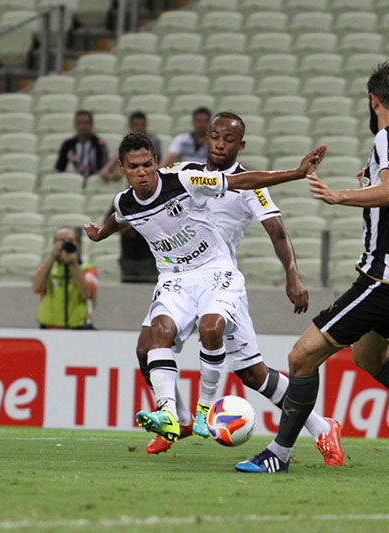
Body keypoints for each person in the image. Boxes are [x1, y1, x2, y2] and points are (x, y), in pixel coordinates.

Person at [235, 62, 389, 476]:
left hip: (383, 276)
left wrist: (340, 196)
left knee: (302, 357)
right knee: (370, 357)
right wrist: (371, 178)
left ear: (373, 100)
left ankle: (278, 455)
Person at [84, 131, 327, 445]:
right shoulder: (125, 202)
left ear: (156, 162)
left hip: (215, 273)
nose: (142, 172)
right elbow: (120, 218)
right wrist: (99, 234)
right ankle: (171, 416)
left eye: (147, 164)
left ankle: (205, 407)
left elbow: (239, 182)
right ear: (122, 168)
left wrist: (296, 173)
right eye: (134, 167)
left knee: (231, 349)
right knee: (156, 336)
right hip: (175, 280)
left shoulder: (185, 179)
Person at [130, 112, 342, 465]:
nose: (219, 144)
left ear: (240, 145)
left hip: (219, 282)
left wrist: (293, 275)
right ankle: (179, 420)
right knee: (145, 347)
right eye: (214, 136)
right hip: (181, 280)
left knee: (252, 374)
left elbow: (277, 231)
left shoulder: (250, 184)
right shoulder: (185, 173)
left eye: (228, 139)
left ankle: (321, 427)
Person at [33, 226, 98, 329]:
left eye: (70, 240)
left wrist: (74, 264)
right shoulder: (46, 268)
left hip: (78, 327)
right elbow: (37, 288)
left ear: (77, 244)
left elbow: (87, 294)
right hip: (49, 327)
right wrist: (53, 257)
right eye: (61, 240)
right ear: (54, 244)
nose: (65, 243)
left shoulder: (87, 269)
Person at [99, 111, 162, 182]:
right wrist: (106, 169)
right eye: (136, 125)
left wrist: (122, 172)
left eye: (142, 125)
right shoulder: (128, 140)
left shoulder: (153, 140)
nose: (139, 128)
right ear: (130, 126)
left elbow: (145, 161)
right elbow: (119, 155)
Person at [54, 110, 109, 180]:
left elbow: (102, 168)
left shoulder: (99, 144)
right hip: (75, 181)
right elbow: (59, 168)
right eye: (79, 123)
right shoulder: (68, 144)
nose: (82, 126)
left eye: (86, 123)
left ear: (91, 125)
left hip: (95, 180)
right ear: (75, 125)